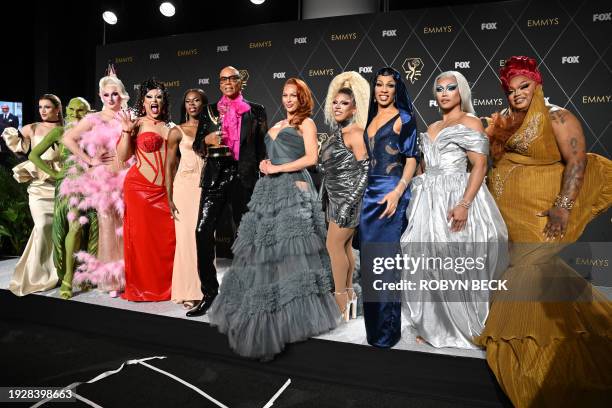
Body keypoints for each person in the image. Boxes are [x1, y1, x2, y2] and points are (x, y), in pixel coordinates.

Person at [475, 56, 612, 407]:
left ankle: (536, 360)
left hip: (540, 213)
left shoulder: (558, 116)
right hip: (507, 217)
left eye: (524, 86)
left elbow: (577, 161)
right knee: (535, 276)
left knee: (532, 274)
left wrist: (564, 206)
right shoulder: (504, 122)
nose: (517, 93)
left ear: (537, 84)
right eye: (511, 89)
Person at [207, 78, 339, 360]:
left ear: (302, 98)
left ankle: (296, 314)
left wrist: (278, 167)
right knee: (267, 251)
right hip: (268, 188)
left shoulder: (306, 123)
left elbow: (311, 159)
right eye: (285, 94)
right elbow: (268, 155)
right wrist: (265, 165)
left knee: (294, 251)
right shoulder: (277, 123)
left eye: (294, 95)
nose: (289, 99)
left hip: (294, 186)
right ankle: (273, 303)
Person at [400, 71, 508, 348]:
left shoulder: (470, 122)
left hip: (456, 196)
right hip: (429, 199)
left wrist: (464, 204)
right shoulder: (433, 124)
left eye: (451, 87)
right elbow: (425, 165)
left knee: (457, 260)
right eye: (439, 88)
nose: (444, 92)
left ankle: (465, 326)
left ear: (461, 92)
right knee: (430, 261)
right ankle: (437, 326)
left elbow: (480, 166)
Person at [188, 66, 267, 317]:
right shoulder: (210, 111)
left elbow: (261, 149)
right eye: (223, 79)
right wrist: (207, 141)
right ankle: (209, 293)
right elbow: (198, 145)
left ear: (240, 81)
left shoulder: (256, 110)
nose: (228, 82)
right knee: (202, 231)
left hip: (244, 178)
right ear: (219, 83)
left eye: (233, 78)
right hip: (215, 178)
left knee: (246, 238)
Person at [359, 67, 419, 348]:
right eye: (379, 85)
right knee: (371, 265)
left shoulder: (404, 117)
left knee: (386, 265)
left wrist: (398, 192)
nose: (383, 90)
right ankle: (375, 332)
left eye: (389, 86)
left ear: (397, 90)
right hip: (370, 194)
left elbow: (411, 159)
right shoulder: (371, 117)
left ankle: (387, 333)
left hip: (390, 193)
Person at [61, 72, 130, 298]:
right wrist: (90, 160)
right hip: (104, 179)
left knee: (129, 228)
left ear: (122, 95)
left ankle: (132, 276)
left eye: (115, 94)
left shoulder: (129, 116)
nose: (111, 99)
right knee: (109, 227)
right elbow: (67, 139)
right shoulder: (93, 119)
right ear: (100, 96)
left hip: (129, 177)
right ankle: (112, 280)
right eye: (106, 94)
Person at [28, 97, 98, 299]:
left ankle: (84, 273)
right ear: (66, 111)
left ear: (88, 112)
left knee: (91, 230)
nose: (76, 114)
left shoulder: (94, 134)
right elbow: (33, 155)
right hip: (71, 184)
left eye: (81, 110)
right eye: (72, 110)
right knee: (75, 227)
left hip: (94, 186)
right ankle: (68, 276)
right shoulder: (60, 132)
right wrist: (54, 174)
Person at [117, 79, 176, 302]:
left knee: (167, 241)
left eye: (159, 97)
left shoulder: (170, 127)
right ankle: (143, 288)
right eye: (150, 97)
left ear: (164, 102)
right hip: (140, 190)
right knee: (141, 243)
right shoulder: (137, 123)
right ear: (143, 101)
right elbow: (122, 157)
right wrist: (125, 131)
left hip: (165, 192)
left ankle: (169, 287)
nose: (155, 101)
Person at [319, 71, 370, 321]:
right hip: (335, 198)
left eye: (344, 103)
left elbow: (366, 171)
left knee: (333, 246)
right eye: (335, 102)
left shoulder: (356, 132)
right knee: (346, 247)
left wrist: (348, 204)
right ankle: (348, 297)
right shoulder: (336, 134)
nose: (338, 107)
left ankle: (340, 300)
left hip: (347, 200)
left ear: (354, 109)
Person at [1, 94, 62, 295]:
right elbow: (16, 142)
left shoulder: (67, 128)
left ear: (57, 109)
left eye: (47, 107)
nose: (42, 110)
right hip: (38, 186)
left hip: (61, 186)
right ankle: (35, 275)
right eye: (40, 107)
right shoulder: (32, 128)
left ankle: (57, 271)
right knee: (43, 224)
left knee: (59, 228)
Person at [166, 89, 207, 309]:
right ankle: (188, 291)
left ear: (203, 103)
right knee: (186, 241)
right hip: (184, 189)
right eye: (188, 101)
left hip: (206, 189)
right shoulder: (177, 131)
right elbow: (169, 165)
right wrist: (169, 195)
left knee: (204, 239)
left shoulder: (212, 128)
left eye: (197, 101)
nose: (192, 104)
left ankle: (206, 288)